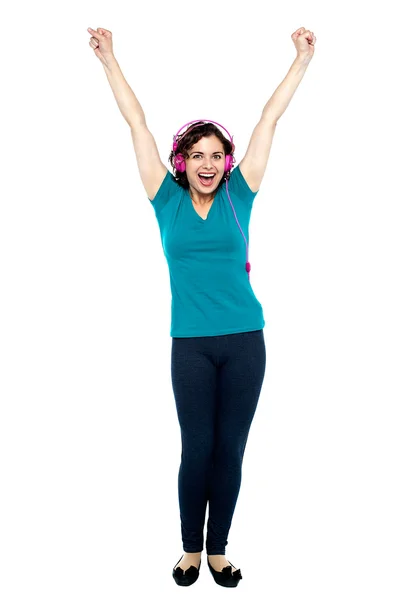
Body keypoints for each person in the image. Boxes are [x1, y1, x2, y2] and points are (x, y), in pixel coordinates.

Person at [87, 25, 316, 587]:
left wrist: (302, 61)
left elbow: (269, 119)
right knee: (198, 448)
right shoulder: (163, 197)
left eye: (217, 154)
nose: (208, 163)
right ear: (182, 160)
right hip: (189, 343)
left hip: (245, 341)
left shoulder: (242, 193)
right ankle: (190, 548)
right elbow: (135, 122)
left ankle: (219, 550)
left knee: (230, 451)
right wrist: (109, 59)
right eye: (198, 154)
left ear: (227, 161)